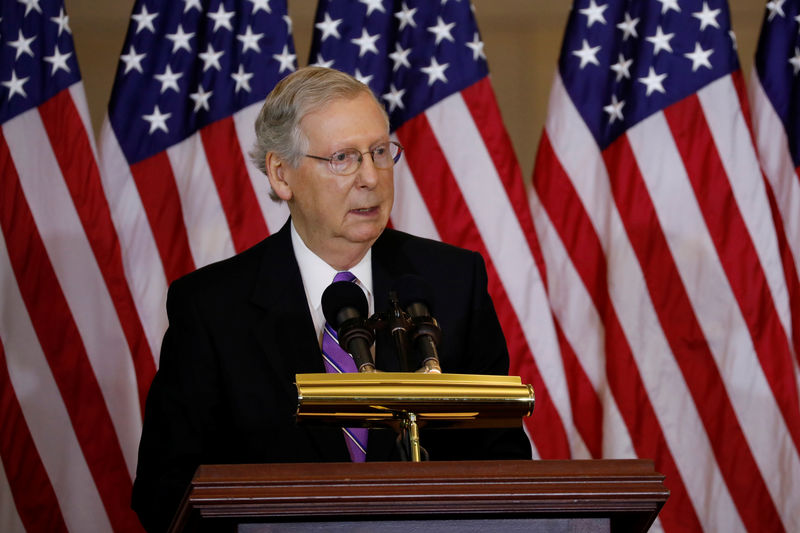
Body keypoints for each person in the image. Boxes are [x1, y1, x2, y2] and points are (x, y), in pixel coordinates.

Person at [131, 67, 532, 532]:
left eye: (380, 152)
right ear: (282, 175)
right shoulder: (211, 307)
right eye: (343, 157)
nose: (371, 178)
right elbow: (166, 489)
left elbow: (501, 461)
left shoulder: (451, 282)